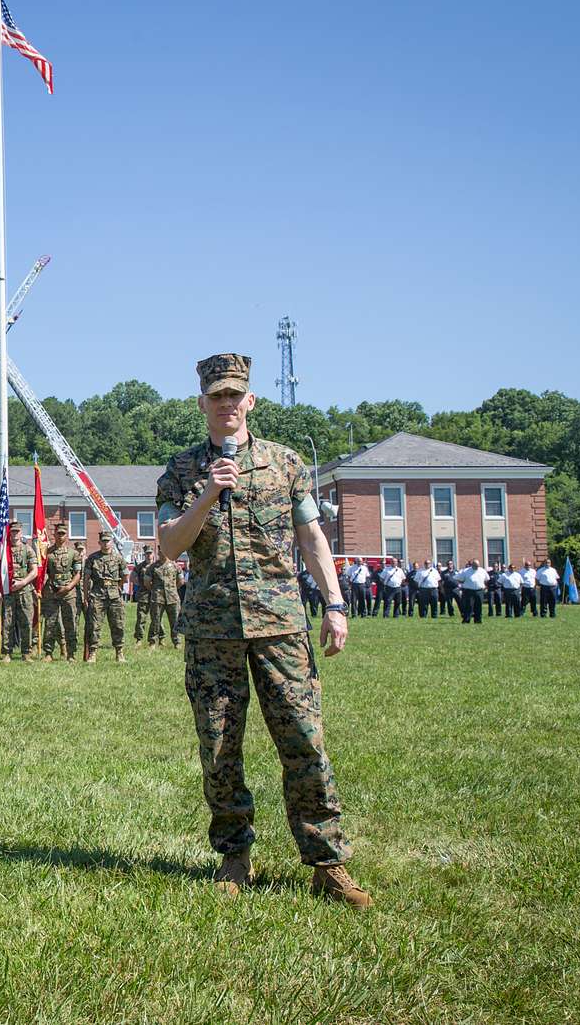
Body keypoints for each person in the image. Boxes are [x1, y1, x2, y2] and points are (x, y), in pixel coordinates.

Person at [156, 352, 370, 908]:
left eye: (235, 395)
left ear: (250, 401)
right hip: (212, 628)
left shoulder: (286, 464)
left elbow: (313, 539)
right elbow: (169, 544)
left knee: (303, 738)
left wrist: (336, 604)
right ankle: (234, 855)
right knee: (219, 746)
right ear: (202, 403)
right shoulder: (180, 472)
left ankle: (326, 861)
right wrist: (208, 491)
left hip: (280, 625)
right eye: (216, 396)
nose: (226, 404)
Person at [83, 531, 129, 663]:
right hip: (97, 595)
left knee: (118, 624)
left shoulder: (118, 558)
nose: (105, 543)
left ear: (112, 542)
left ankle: (119, 652)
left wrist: (117, 587)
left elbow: (125, 577)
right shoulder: (92, 559)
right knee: (94, 625)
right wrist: (86, 597)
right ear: (99, 543)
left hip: (114, 596)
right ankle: (92, 653)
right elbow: (86, 579)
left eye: (108, 541)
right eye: (103, 541)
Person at [39, 528, 78, 661]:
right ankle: (48, 653)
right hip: (52, 591)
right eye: (58, 534)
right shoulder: (47, 552)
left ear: (66, 536)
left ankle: (71, 653)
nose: (60, 536)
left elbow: (78, 574)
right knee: (50, 622)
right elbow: (42, 573)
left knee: (70, 622)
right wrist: (40, 589)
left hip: (68, 591)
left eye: (63, 534)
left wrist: (68, 587)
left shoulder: (74, 553)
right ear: (54, 535)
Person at [3, 521, 40, 661]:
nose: (15, 534)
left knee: (26, 622)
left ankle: (26, 652)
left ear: (21, 533)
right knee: (8, 622)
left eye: (17, 531)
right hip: (9, 591)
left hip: (25, 591)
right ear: (9, 533)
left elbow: (34, 571)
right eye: (12, 531)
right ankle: (7, 652)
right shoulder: (4, 550)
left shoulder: (28, 549)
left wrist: (23, 582)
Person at [147, 548, 181, 647]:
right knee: (155, 620)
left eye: (165, 551)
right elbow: (147, 582)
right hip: (158, 598)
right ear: (158, 552)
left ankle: (177, 642)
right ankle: (153, 642)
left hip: (172, 598)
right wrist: (155, 591)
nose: (163, 553)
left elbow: (181, 581)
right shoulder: (153, 567)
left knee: (175, 621)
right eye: (161, 551)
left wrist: (172, 589)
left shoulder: (175, 566)